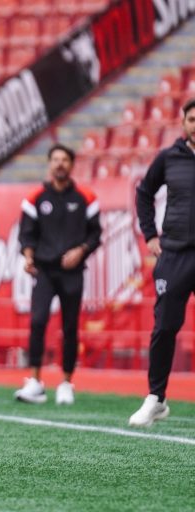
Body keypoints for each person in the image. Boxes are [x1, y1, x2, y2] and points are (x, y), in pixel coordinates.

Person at [15, 143, 101, 405]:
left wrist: (81, 251)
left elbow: (96, 234)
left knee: (70, 327)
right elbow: (27, 234)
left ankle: (66, 382)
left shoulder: (86, 197)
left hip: (73, 272)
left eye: (65, 159)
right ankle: (35, 382)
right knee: (38, 321)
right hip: (45, 270)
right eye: (56, 159)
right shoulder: (35, 197)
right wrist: (28, 258)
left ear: (72, 165)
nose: (60, 164)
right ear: (49, 164)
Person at [129, 98, 195, 427]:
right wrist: (150, 236)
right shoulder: (169, 157)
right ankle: (157, 398)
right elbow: (143, 193)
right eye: (193, 118)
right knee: (165, 328)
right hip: (175, 254)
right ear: (184, 123)